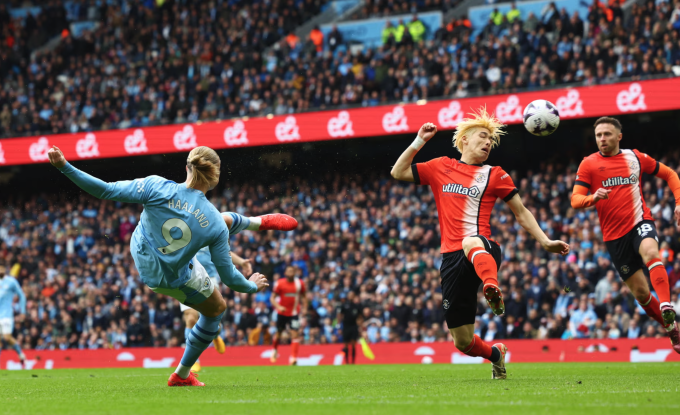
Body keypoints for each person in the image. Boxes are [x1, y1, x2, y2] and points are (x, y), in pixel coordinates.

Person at [47, 145, 270, 386]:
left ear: (187, 167)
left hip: (143, 257)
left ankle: (250, 222)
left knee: (205, 228)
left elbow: (106, 190)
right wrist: (251, 287)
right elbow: (229, 278)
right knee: (216, 308)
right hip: (173, 278)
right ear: (215, 178)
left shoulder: (156, 186)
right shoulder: (215, 224)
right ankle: (182, 374)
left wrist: (64, 167)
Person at [390, 108, 569, 380]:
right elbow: (397, 171)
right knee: (462, 342)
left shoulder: (495, 174)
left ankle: (491, 286)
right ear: (464, 140)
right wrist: (419, 141)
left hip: (483, 248)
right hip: (452, 260)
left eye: (490, 140)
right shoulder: (441, 166)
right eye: (483, 137)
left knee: (471, 240)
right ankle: (496, 355)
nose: (488, 143)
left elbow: (521, 212)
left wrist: (544, 241)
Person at [571, 116, 680, 353]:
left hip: (640, 221)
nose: (602, 139)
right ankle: (672, 329)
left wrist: (679, 202)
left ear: (619, 136)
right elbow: (575, 199)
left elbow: (670, 174)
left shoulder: (636, 158)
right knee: (641, 294)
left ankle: (665, 304)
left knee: (651, 252)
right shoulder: (588, 164)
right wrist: (593, 198)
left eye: (607, 134)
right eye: (599, 135)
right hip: (614, 238)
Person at [181, 212, 297, 372]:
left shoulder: (209, 232)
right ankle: (195, 360)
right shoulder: (183, 232)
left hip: (208, 278)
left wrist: (241, 261)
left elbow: (224, 252)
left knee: (210, 318)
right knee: (191, 317)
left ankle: (214, 335)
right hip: (186, 277)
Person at [270, 266, 307, 365]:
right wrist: (279, 307)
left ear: (294, 273)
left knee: (295, 333)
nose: (290, 272)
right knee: (279, 333)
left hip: (294, 313)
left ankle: (293, 358)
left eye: (292, 271)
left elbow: (304, 297)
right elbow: (272, 298)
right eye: (288, 271)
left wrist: (305, 308)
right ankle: (274, 350)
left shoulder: (300, 284)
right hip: (282, 313)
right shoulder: (280, 283)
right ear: (285, 273)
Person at [0, 265, 27, 367]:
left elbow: (22, 295)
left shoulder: (11, 281)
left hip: (7, 315)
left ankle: (21, 354)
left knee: (7, 337)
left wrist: (23, 311)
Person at [337, 291, 362, 364]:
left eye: (352, 295)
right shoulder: (344, 305)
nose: (351, 296)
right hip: (346, 326)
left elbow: (360, 317)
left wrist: (360, 326)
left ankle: (353, 362)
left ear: (354, 296)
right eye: (350, 295)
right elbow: (340, 316)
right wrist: (339, 327)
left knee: (354, 344)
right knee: (346, 345)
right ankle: (347, 361)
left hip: (354, 326)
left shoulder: (356, 306)